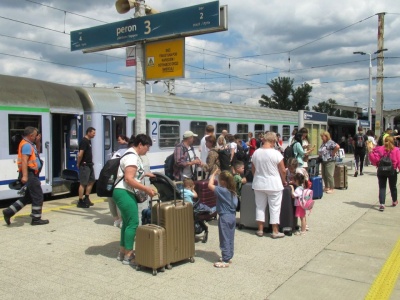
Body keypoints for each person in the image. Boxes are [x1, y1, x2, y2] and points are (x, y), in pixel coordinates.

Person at [113, 134, 156, 265]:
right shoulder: (132, 156)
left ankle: (122, 252)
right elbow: (128, 179)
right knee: (133, 223)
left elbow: (131, 174)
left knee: (127, 223)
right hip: (124, 192)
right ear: (140, 145)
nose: (147, 150)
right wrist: (146, 189)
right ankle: (129, 255)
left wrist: (144, 173)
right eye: (147, 147)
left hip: (122, 191)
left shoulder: (131, 154)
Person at [3, 127, 49, 226]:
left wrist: (38, 142)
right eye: (36, 135)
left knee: (28, 197)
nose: (37, 136)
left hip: (32, 173)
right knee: (38, 196)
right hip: (30, 173)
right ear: (31, 135)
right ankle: (36, 219)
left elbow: (37, 154)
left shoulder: (30, 144)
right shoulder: (26, 145)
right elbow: (24, 160)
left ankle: (9, 212)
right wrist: (25, 176)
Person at [251, 132, 287, 239]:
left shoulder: (256, 153)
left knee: (260, 207)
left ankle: (260, 230)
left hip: (259, 183)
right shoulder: (276, 154)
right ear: (272, 141)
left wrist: (256, 177)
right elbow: (283, 170)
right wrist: (284, 181)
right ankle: (275, 231)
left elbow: (253, 168)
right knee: (275, 207)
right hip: (274, 184)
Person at [208, 169, 238, 268]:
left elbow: (210, 185)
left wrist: (213, 174)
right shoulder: (233, 191)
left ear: (223, 181)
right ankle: (228, 256)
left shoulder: (222, 190)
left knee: (224, 237)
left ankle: (225, 260)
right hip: (232, 216)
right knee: (230, 237)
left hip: (224, 216)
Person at [369, 136, 400, 211]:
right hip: (392, 170)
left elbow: (374, 159)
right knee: (393, 187)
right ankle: (394, 201)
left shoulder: (379, 149)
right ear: (393, 141)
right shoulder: (396, 150)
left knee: (382, 187)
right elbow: (399, 161)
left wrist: (370, 152)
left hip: (381, 171)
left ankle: (382, 204)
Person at [109, 134, 130, 228]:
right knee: (119, 200)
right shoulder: (127, 151)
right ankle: (121, 220)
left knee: (111, 199)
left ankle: (116, 220)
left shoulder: (118, 150)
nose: (118, 142)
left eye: (119, 140)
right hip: (118, 178)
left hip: (110, 177)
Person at [77, 127, 96, 208]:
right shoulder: (84, 141)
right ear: (88, 132)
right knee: (83, 183)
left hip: (90, 164)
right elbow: (80, 154)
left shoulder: (89, 141)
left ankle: (87, 198)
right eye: (93, 133)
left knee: (91, 181)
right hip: (84, 165)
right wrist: (78, 163)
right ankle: (80, 201)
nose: (94, 134)